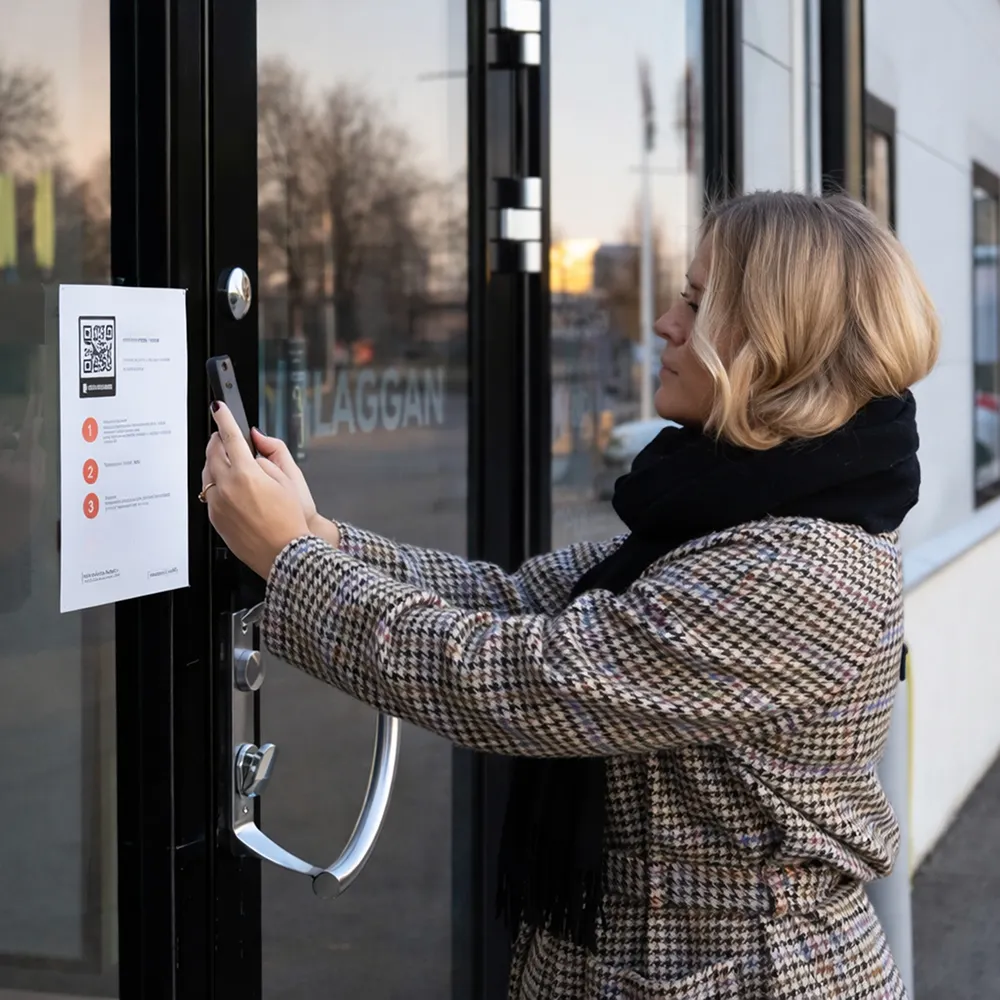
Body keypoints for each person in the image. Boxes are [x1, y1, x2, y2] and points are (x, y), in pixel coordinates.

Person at [201, 190, 939, 999]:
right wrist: (318, 536)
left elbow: (528, 679)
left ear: (777, 344)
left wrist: (292, 559)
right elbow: (516, 601)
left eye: (696, 303)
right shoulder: (738, 502)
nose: (664, 322)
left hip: (742, 977)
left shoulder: (798, 566)